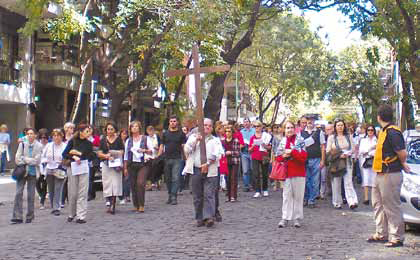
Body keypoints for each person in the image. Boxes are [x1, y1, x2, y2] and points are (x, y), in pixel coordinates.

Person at [367, 105, 409, 248]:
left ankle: (397, 237)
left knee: (391, 206)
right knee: (378, 205)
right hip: (380, 173)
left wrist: (402, 163)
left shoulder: (393, 132)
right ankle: (381, 233)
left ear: (379, 117)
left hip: (390, 174)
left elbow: (402, 153)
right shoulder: (384, 131)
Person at [184, 118, 221, 227]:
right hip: (196, 169)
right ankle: (199, 217)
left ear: (212, 128)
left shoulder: (215, 140)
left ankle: (209, 217)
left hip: (210, 170)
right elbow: (187, 150)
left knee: (209, 194)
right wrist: (196, 141)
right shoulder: (193, 137)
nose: (207, 127)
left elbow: (218, 153)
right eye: (205, 125)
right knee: (197, 195)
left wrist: (208, 163)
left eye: (209, 125)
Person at [276, 121, 307, 228]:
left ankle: (297, 218)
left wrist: (292, 152)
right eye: (287, 128)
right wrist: (284, 155)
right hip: (286, 173)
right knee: (286, 196)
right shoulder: (282, 141)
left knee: (298, 196)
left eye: (291, 127)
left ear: (295, 129)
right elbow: (278, 157)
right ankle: (285, 217)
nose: (289, 130)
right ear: (284, 130)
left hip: (299, 172)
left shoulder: (300, 140)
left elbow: (303, 157)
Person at [62, 124, 94, 224]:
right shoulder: (72, 141)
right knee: (73, 192)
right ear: (81, 132)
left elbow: (90, 155)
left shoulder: (89, 143)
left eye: (89, 131)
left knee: (83, 192)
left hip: (84, 168)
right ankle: (71, 213)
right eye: (86, 131)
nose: (88, 133)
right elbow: (65, 154)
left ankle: (81, 215)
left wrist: (79, 154)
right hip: (73, 168)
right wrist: (73, 157)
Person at [11, 128, 43, 224]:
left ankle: (30, 216)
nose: (30, 135)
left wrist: (24, 159)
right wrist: (29, 160)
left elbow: (37, 160)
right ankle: (17, 216)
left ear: (35, 135)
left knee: (31, 195)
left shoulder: (39, 146)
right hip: (22, 172)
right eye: (28, 133)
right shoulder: (22, 144)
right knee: (18, 193)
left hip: (32, 173)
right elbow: (17, 159)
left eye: (31, 133)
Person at [326, 119, 358, 209]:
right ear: (335, 127)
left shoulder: (348, 137)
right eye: (338, 125)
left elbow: (353, 148)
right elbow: (328, 151)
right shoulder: (331, 138)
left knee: (348, 182)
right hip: (336, 162)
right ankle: (337, 202)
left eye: (342, 125)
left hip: (347, 161)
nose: (340, 127)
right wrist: (339, 154)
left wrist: (349, 153)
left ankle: (352, 201)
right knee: (336, 182)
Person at [123, 121, 152, 213]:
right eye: (133, 127)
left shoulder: (145, 138)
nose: (134, 128)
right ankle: (135, 205)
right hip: (132, 164)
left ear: (139, 128)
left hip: (143, 164)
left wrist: (143, 150)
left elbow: (151, 151)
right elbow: (126, 155)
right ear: (130, 129)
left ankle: (141, 204)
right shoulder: (128, 140)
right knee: (133, 184)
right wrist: (125, 167)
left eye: (136, 126)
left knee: (140, 183)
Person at [158, 115, 187, 205]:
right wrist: (158, 156)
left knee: (175, 178)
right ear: (169, 123)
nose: (173, 123)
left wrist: (186, 157)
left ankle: (174, 196)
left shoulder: (181, 134)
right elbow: (162, 145)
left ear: (177, 122)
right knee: (168, 178)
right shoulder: (165, 133)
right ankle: (170, 194)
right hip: (167, 158)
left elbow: (183, 146)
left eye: (174, 121)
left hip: (177, 158)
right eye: (171, 121)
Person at [98, 122, 124, 214]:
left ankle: (113, 204)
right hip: (106, 164)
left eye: (111, 129)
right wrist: (106, 156)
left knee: (115, 184)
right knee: (107, 184)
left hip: (116, 164)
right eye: (108, 129)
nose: (109, 131)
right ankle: (108, 201)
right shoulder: (103, 140)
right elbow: (99, 153)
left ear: (115, 130)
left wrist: (114, 153)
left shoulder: (119, 140)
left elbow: (122, 151)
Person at [301, 116, 326, 208]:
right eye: (308, 120)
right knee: (306, 180)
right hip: (305, 160)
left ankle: (312, 200)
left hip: (316, 159)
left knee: (315, 181)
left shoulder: (319, 132)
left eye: (311, 120)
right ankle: (306, 198)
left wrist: (323, 160)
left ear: (314, 121)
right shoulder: (301, 133)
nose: (310, 122)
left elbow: (323, 147)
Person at [42, 128, 67, 216]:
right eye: (54, 136)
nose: (56, 137)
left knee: (58, 188)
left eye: (58, 135)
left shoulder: (64, 146)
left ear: (62, 136)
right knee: (51, 189)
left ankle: (57, 207)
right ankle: (53, 206)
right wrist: (46, 161)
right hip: (49, 168)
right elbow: (42, 156)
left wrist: (62, 161)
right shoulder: (48, 145)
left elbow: (67, 158)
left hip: (59, 169)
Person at [249, 120, 271, 198]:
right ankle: (257, 190)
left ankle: (265, 189)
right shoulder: (252, 137)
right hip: (255, 156)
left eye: (258, 126)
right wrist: (253, 145)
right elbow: (249, 150)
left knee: (265, 173)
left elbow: (269, 147)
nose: (256, 128)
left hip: (264, 156)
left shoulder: (266, 136)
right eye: (255, 127)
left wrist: (263, 144)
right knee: (256, 174)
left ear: (261, 127)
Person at [358, 124, 377, 205]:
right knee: (365, 179)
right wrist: (371, 149)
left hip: (375, 162)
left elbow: (376, 153)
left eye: (372, 130)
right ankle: (366, 198)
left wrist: (368, 152)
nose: (370, 131)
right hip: (365, 162)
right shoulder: (363, 140)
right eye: (368, 130)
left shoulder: (377, 140)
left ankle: (373, 199)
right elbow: (361, 151)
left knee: (374, 180)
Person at [222, 125, 240, 202]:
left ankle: (233, 196)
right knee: (227, 179)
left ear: (232, 132)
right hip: (226, 162)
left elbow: (238, 152)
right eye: (226, 131)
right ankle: (228, 195)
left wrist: (231, 152)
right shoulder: (223, 141)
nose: (227, 133)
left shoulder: (236, 140)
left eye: (229, 131)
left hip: (234, 161)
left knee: (233, 178)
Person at [61, 122, 75, 208]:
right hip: (64, 161)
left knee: (71, 181)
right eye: (70, 128)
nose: (71, 130)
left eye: (72, 128)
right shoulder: (63, 138)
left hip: (71, 161)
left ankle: (70, 199)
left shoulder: (74, 139)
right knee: (64, 181)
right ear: (66, 129)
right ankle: (62, 200)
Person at [240, 118, 255, 192]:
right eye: (244, 122)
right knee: (245, 170)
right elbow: (239, 141)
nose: (246, 123)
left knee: (252, 169)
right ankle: (246, 186)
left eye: (247, 122)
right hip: (244, 152)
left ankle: (252, 185)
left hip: (252, 152)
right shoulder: (241, 132)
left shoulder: (254, 131)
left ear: (250, 123)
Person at [36, 128, 49, 210]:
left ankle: (42, 202)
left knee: (44, 185)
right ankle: (41, 195)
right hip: (38, 167)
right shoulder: (37, 145)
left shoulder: (49, 145)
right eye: (42, 138)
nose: (43, 139)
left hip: (46, 168)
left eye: (45, 138)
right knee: (37, 183)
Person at [321, 123, 334, 198]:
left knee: (331, 176)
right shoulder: (323, 137)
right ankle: (323, 192)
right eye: (326, 129)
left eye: (329, 129)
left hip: (332, 159)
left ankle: (331, 190)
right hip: (325, 159)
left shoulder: (335, 137)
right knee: (324, 177)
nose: (327, 131)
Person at [119, 128, 130, 203]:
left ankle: (127, 195)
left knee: (126, 179)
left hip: (127, 162)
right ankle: (121, 196)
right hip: (119, 161)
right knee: (120, 179)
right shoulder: (118, 141)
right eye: (123, 134)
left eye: (125, 134)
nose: (124, 135)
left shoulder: (128, 141)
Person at [271, 124, 284, 191]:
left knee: (282, 169)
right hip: (276, 155)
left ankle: (282, 182)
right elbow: (273, 148)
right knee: (275, 169)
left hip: (283, 155)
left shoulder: (285, 137)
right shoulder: (275, 137)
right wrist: (272, 158)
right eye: (278, 128)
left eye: (280, 128)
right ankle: (275, 184)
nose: (279, 129)